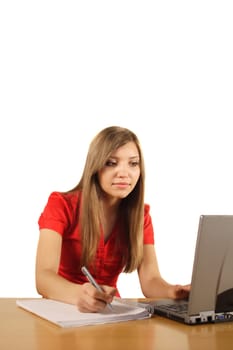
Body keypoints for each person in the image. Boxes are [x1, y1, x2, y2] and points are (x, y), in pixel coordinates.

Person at [36, 125, 190, 312]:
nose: (124, 173)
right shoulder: (61, 205)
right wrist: (81, 294)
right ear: (95, 167)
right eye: (111, 163)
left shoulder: (140, 216)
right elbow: (43, 278)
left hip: (110, 312)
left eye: (133, 163)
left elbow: (150, 280)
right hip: (63, 308)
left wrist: (172, 291)